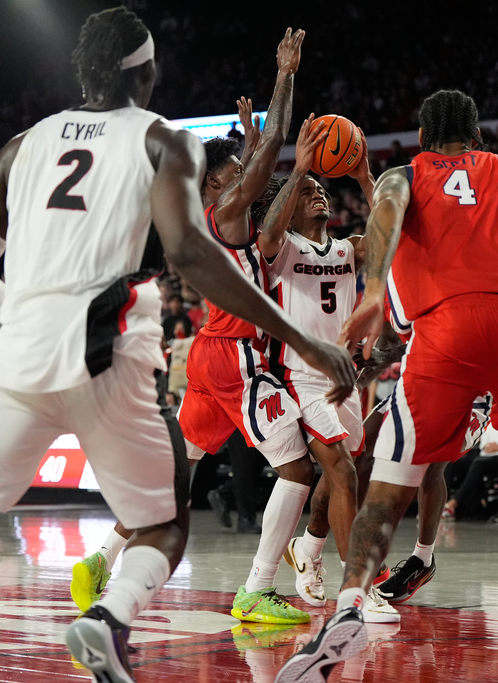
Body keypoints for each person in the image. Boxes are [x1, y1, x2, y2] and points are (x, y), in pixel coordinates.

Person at [0, 12, 353, 683]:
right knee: (168, 518)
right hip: (118, 351)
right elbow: (186, 250)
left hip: (21, 355)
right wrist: (301, 337)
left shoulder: (22, 144)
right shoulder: (168, 142)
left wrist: (34, 314)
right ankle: (111, 616)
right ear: (147, 74)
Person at [278, 88, 498, 682]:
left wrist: (371, 293)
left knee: (390, 484)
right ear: (479, 135)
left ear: (420, 139)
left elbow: (386, 210)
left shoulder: (405, 174)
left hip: (448, 331)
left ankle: (351, 608)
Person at [176, 28, 351, 627]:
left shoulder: (226, 215)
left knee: (187, 460)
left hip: (212, 350)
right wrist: (285, 76)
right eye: (235, 174)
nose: (244, 176)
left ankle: (106, 555)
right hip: (237, 356)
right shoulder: (226, 215)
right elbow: (274, 146)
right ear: (216, 188)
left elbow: (256, 159)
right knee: (300, 469)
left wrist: (250, 146)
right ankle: (255, 590)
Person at [256, 119, 397, 621]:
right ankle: (356, 590)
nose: (319, 195)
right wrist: (301, 168)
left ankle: (308, 550)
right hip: (300, 376)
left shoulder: (345, 247)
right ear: (291, 202)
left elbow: (389, 232)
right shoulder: (280, 248)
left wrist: (362, 177)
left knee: (349, 473)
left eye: (322, 190)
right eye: (309, 191)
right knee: (338, 468)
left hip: (345, 381)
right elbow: (268, 229)